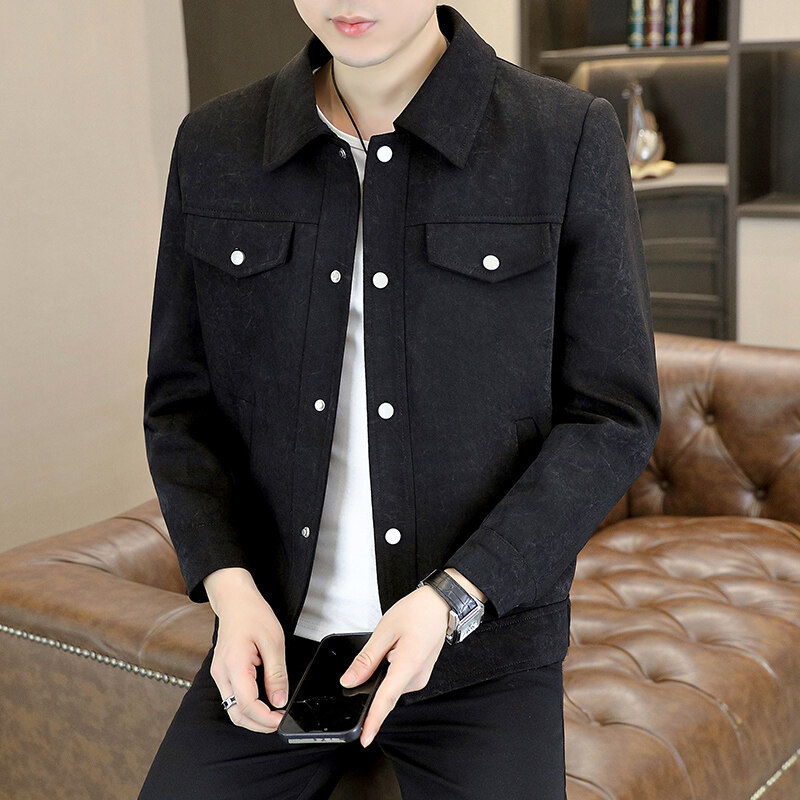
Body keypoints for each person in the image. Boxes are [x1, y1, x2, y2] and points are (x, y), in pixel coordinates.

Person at [138, 2, 661, 798]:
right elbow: (181, 405)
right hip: (278, 645)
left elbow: (612, 417)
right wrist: (228, 588)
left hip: (478, 652)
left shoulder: (564, 136)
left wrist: (455, 599)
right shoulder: (213, 144)